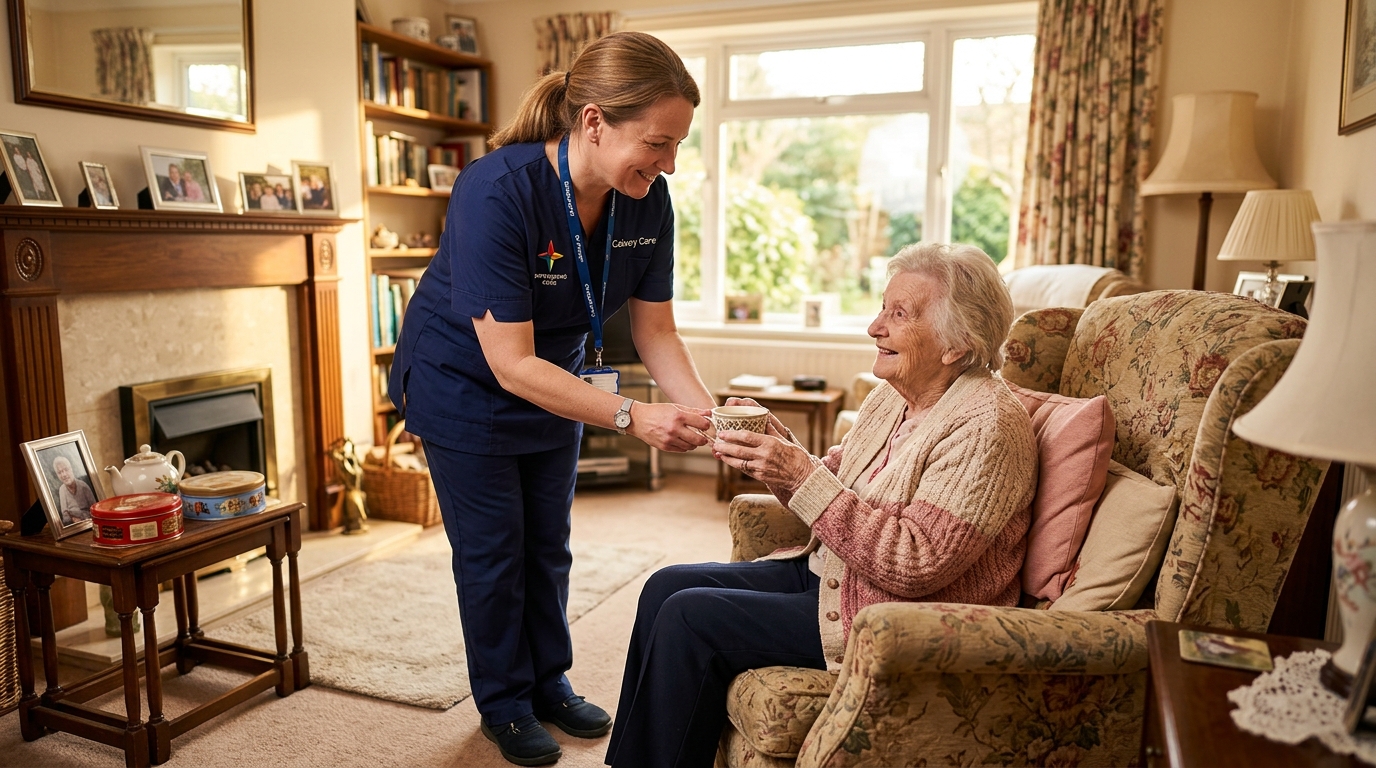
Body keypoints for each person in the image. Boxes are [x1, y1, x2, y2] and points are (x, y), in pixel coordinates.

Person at [388, 30, 715, 767]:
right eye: (658, 144)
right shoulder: (496, 189)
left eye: (676, 147)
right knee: (495, 551)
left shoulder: (646, 201)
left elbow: (656, 332)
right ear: (594, 121)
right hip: (465, 382)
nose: (667, 164)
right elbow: (508, 362)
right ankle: (504, 703)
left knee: (549, 544)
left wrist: (718, 414)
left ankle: (548, 680)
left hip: (555, 381)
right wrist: (635, 415)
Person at [605, 243, 1039, 768]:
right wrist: (778, 449)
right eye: (882, 307)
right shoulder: (894, 399)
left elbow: (916, 563)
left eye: (898, 315)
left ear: (957, 344)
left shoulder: (988, 426)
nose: (874, 327)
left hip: (893, 617)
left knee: (688, 617)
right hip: (835, 573)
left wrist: (799, 472)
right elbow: (834, 484)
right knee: (664, 586)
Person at [52, 454, 96, 526]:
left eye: (66, 470)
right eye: (60, 472)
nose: (64, 474)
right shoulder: (62, 490)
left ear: (71, 469)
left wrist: (82, 519)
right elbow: (65, 515)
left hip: (89, 524)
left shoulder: (83, 486)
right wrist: (72, 520)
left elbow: (95, 509)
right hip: (73, 527)